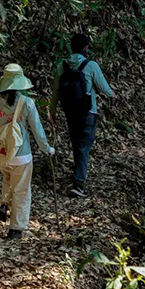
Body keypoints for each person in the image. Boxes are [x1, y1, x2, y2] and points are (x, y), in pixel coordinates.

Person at [0, 64, 54, 239]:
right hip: (22, 156)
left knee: (8, 178)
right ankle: (16, 228)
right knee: (21, 190)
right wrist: (47, 149)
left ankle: (4, 204)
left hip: (1, 154)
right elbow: (37, 131)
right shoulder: (27, 103)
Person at [49, 32, 115, 198]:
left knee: (77, 144)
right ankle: (78, 184)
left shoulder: (62, 66)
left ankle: (77, 175)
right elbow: (104, 88)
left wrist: (53, 112)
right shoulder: (90, 65)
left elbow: (56, 92)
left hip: (70, 113)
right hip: (88, 113)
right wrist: (114, 95)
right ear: (85, 47)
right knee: (84, 146)